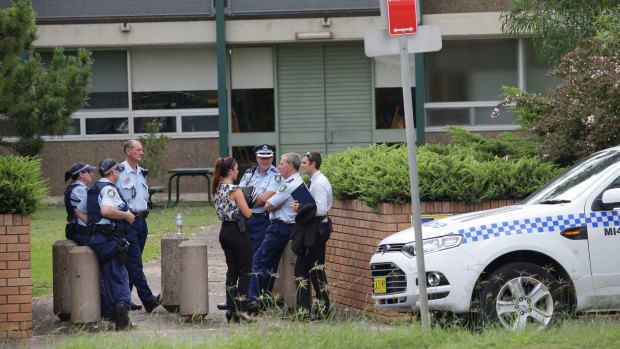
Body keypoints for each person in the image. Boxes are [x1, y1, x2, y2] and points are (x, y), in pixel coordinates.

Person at [217, 144, 281, 311]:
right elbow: (243, 193)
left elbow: (266, 198)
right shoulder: (249, 173)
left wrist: (249, 197)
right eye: (262, 157)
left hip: (261, 220)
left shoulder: (276, 176)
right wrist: (249, 198)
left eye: (268, 157)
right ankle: (235, 300)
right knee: (239, 265)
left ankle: (250, 300)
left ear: (272, 158)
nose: (265, 160)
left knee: (253, 261)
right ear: (257, 158)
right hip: (243, 221)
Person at [247, 152, 303, 313]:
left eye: (281, 163)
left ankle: (253, 300)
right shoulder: (296, 182)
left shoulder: (289, 184)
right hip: (287, 227)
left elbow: (267, 205)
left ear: (290, 166)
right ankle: (263, 299)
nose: (278, 167)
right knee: (269, 264)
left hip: (279, 227)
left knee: (258, 260)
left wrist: (273, 204)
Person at [84, 158, 135, 330]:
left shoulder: (94, 189)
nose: (119, 173)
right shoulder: (108, 189)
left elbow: (81, 212)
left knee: (107, 279)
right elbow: (105, 210)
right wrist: (126, 215)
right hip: (109, 240)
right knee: (121, 276)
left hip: (98, 239)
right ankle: (123, 308)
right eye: (118, 170)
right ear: (113, 172)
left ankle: (113, 317)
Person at [116, 139, 160, 313]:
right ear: (128, 151)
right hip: (128, 221)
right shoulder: (119, 171)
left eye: (142, 150)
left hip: (142, 221)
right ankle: (149, 301)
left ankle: (124, 299)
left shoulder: (142, 172)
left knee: (131, 263)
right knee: (135, 264)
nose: (142, 152)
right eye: (138, 150)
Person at [212, 157, 255, 323]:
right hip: (238, 231)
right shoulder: (235, 190)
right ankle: (242, 310)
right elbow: (248, 214)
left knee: (232, 271)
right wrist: (249, 202)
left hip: (224, 231)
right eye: (236, 169)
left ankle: (230, 309)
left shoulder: (217, 187)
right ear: (230, 171)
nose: (238, 171)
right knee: (245, 271)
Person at [291, 152, 333, 320]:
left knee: (316, 271)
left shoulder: (320, 183)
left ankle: (324, 309)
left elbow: (321, 209)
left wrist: (300, 207)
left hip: (317, 231)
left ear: (313, 164)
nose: (302, 165)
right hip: (310, 230)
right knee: (301, 268)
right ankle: (303, 310)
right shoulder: (314, 182)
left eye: (305, 162)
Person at [63, 162, 96, 246]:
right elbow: (94, 207)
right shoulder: (79, 189)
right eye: (89, 171)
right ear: (81, 174)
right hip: (82, 232)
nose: (91, 174)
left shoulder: (75, 187)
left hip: (78, 230)